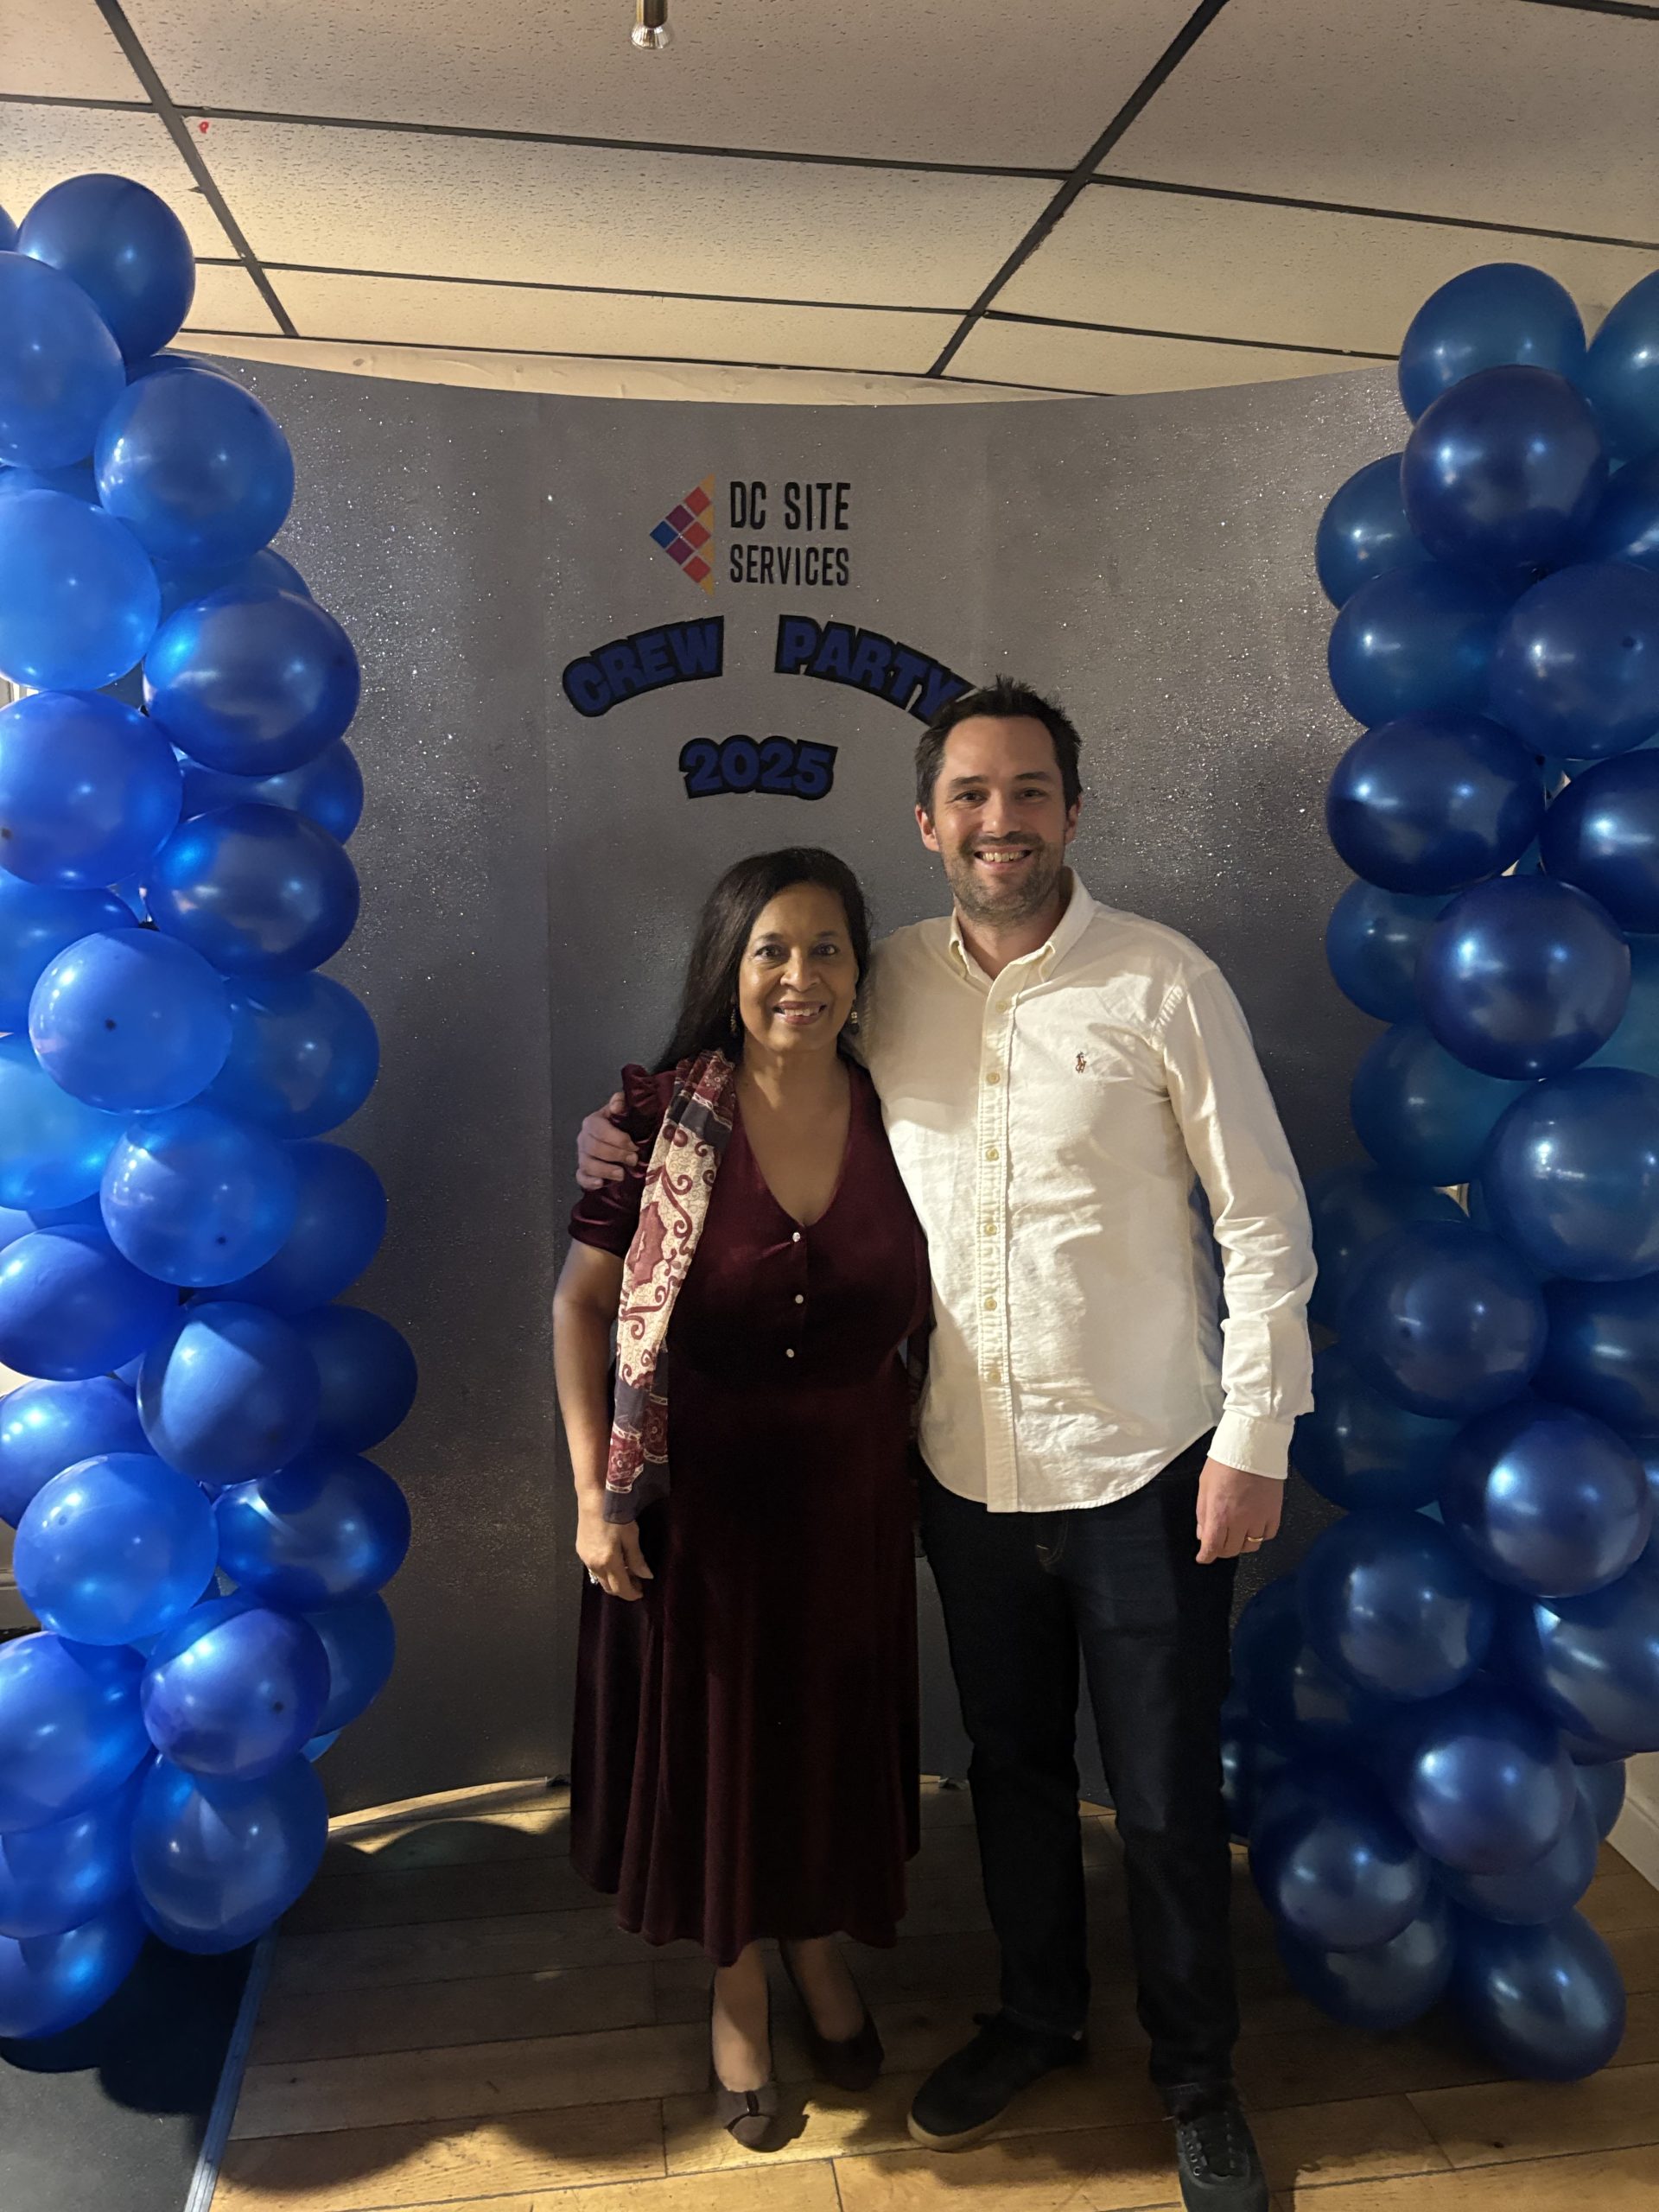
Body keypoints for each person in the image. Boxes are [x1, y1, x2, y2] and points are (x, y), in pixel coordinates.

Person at [578, 681, 1316, 2212]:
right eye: (971, 796)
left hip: (1145, 1471)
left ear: (1073, 811)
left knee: (1165, 1796)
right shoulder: (885, 982)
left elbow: (1263, 1224)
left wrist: (1255, 1439)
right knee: (1013, 1773)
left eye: (1029, 791)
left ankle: (1198, 2084)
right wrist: (623, 1135)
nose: (1001, 822)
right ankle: (1038, 2019)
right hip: (963, 1479)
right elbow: (746, 1069)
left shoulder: (1164, 981)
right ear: (927, 822)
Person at [553, 846, 929, 2153]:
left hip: (853, 1497)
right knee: (723, 1750)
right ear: (730, 966)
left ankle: (817, 1941)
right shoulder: (656, 1121)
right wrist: (594, 1499)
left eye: (828, 949)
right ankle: (738, 1987)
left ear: (860, 972)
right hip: (698, 1502)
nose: (800, 976)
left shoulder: (912, 1110)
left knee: (822, 1735)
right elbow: (582, 1306)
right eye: (773, 949)